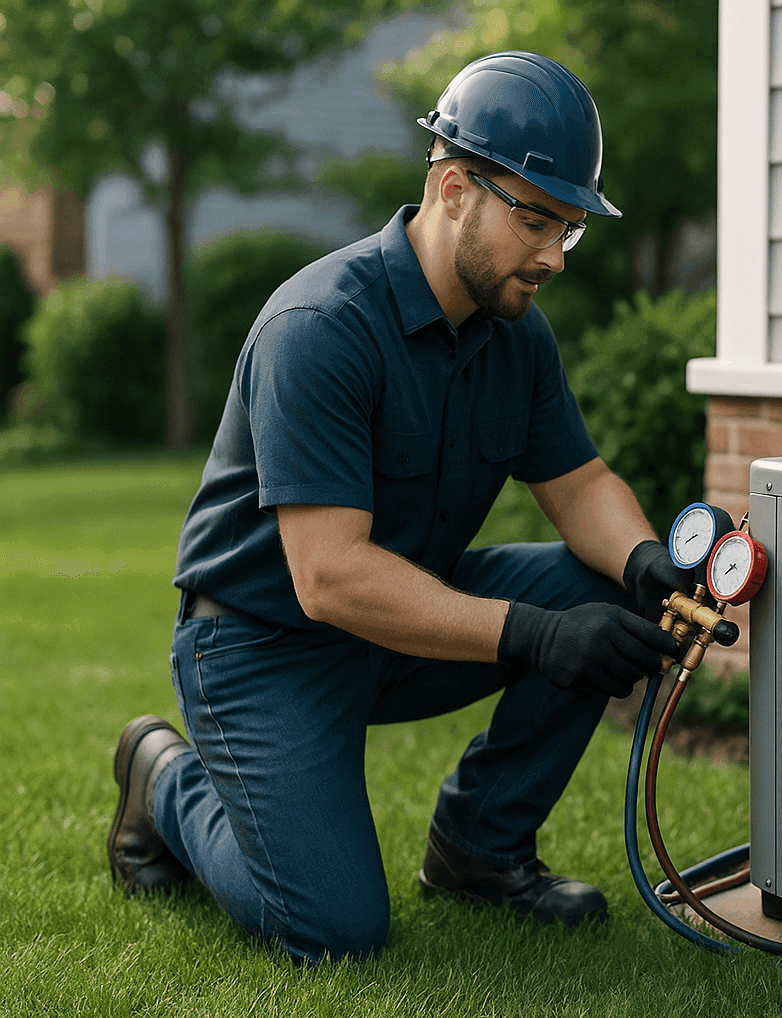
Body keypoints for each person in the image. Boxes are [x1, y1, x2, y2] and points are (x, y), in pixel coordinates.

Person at [105, 51, 694, 964]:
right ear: (454, 187)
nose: (552, 256)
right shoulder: (321, 329)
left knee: (604, 584)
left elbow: (579, 486)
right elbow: (331, 575)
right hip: (263, 647)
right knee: (333, 930)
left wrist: (648, 565)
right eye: (536, 219)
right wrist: (537, 636)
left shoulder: (515, 333)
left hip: (398, 621)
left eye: (570, 229)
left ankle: (479, 850)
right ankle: (164, 779)